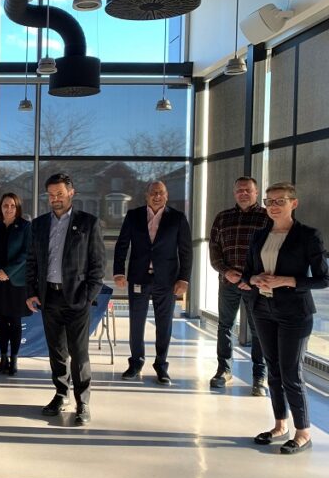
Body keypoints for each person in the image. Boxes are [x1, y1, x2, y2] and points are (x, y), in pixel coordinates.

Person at [243, 182, 327, 455]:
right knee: (274, 370)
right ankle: (280, 425)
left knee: (291, 372)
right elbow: (247, 273)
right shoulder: (259, 236)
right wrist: (254, 278)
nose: (274, 206)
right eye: (269, 201)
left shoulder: (308, 236)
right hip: (262, 308)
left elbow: (323, 278)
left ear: (294, 203)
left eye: (280, 201)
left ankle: (303, 432)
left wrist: (286, 280)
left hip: (295, 313)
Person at [26, 173, 105, 425]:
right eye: (51, 195)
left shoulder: (89, 223)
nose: (55, 199)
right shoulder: (38, 225)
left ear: (71, 193)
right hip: (49, 297)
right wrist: (31, 292)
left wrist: (88, 297)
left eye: (59, 193)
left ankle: (83, 402)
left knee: (79, 353)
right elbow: (31, 261)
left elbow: (98, 266)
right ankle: (61, 394)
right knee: (56, 351)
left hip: (77, 299)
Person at [113, 180, 192, 386]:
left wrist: (184, 279)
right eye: (153, 193)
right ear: (146, 195)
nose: (157, 196)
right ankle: (136, 363)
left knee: (164, 324)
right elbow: (122, 245)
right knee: (136, 322)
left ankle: (161, 365)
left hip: (167, 280)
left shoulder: (177, 218)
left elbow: (185, 251)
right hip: (138, 277)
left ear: (166, 196)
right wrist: (119, 272)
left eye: (161, 193)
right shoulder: (134, 215)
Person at [208, 176, 270, 394]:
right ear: (234, 193)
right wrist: (226, 271)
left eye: (247, 190)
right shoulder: (222, 218)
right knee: (224, 326)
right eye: (239, 190)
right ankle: (224, 370)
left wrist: (250, 278)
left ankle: (259, 377)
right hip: (228, 282)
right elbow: (214, 250)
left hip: (256, 285)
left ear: (256, 192)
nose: (243, 193)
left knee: (259, 330)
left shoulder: (267, 217)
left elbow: (272, 251)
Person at [0, 192, 31, 375]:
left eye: (12, 205)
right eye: (5, 205)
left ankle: (14, 360)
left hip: (16, 281)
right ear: (0, 207)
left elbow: (26, 253)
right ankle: (3, 359)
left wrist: (8, 271)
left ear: (17, 208)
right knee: (1, 320)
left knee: (15, 321)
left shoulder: (25, 226)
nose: (9, 209)